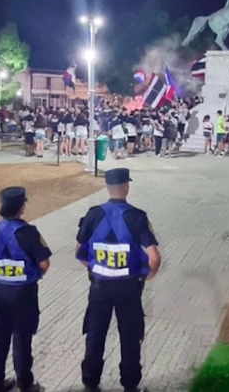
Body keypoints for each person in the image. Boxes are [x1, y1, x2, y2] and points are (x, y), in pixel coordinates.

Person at [75, 168, 161, 392]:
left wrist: (97, 269)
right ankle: (130, 384)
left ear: (107, 187)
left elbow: (79, 253)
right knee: (130, 337)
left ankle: (91, 382)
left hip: (100, 286)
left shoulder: (93, 214)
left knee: (95, 334)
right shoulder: (137, 216)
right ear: (126, 187)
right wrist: (147, 274)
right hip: (129, 288)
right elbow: (154, 257)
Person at [0, 187, 51, 392]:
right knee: (21, 341)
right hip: (23, 296)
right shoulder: (29, 233)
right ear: (22, 207)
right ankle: (25, 384)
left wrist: (1, 273)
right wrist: (29, 276)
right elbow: (44, 264)